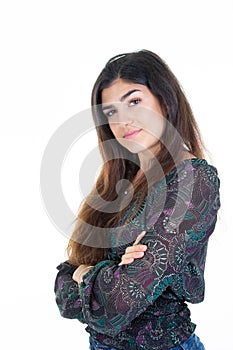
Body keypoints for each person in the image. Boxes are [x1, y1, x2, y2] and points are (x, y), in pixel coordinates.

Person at [54, 50, 220, 350]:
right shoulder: (118, 184)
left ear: (165, 100)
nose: (123, 120)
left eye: (134, 101)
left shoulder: (193, 181)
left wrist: (86, 274)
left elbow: (118, 304)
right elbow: (62, 291)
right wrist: (105, 272)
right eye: (111, 112)